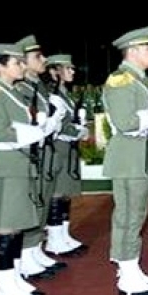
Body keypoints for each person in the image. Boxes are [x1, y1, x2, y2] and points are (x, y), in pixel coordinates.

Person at [0, 43, 56, 295]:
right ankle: (3, 286)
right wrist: (37, 132)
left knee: (17, 225)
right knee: (5, 228)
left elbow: (20, 125)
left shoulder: (13, 92)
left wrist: (39, 126)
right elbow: (1, 132)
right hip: (4, 168)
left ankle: (13, 278)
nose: (23, 66)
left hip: (19, 164)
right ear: (0, 66)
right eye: (17, 62)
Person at [102, 26, 148, 295]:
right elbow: (126, 122)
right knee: (129, 216)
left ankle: (133, 269)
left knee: (137, 214)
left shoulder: (137, 79)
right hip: (129, 156)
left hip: (140, 156)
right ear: (133, 51)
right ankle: (127, 277)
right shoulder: (121, 79)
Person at [14, 35, 69, 279]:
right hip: (31, 154)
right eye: (38, 57)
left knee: (43, 201)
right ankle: (26, 254)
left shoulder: (39, 87)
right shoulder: (21, 89)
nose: (44, 60)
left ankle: (34, 249)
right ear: (23, 62)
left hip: (45, 152)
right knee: (33, 203)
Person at [43, 54, 90, 257]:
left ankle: (63, 235)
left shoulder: (64, 93)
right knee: (57, 193)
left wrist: (79, 127)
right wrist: (78, 131)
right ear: (55, 72)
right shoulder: (51, 94)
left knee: (66, 193)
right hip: (57, 146)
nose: (72, 71)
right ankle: (54, 239)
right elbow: (57, 124)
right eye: (67, 68)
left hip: (68, 147)